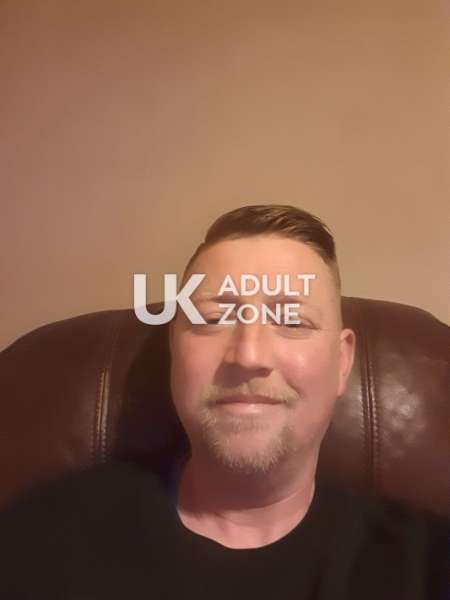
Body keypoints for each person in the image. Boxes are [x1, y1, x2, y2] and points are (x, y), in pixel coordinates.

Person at [0, 205, 446, 599]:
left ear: (342, 361)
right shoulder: (45, 538)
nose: (248, 356)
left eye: (292, 320)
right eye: (213, 318)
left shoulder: (427, 566)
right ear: (174, 348)